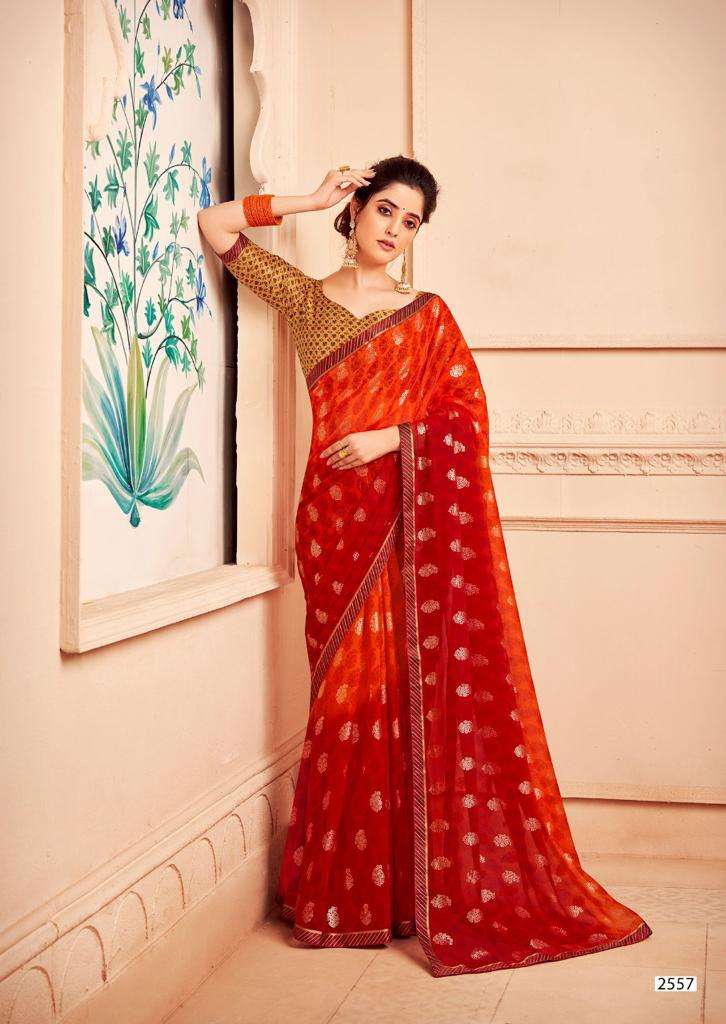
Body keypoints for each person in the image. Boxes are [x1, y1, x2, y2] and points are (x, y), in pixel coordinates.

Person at [197, 155, 652, 978]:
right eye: (384, 210)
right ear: (356, 210)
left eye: (410, 222)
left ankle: (409, 896)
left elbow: (468, 420)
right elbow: (215, 225)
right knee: (346, 703)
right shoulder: (307, 299)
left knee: (408, 697)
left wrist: (394, 438)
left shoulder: (427, 316)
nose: (395, 230)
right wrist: (307, 198)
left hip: (406, 523)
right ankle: (346, 898)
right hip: (334, 526)